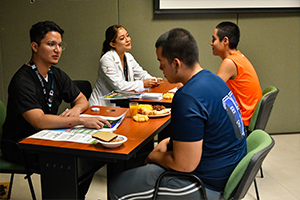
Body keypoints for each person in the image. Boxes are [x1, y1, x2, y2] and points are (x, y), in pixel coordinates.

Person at [109, 28, 247, 200]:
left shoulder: (187, 97)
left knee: (117, 186)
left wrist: (155, 155)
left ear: (176, 63)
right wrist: (169, 142)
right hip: (226, 169)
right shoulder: (214, 80)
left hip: (205, 184)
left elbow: (184, 164)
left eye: (161, 62)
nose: (160, 68)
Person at [1, 21, 110, 199]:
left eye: (60, 45)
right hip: (21, 144)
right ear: (35, 46)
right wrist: (81, 119)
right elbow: (40, 121)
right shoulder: (22, 81)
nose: (57, 50)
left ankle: (75, 196)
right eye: (51, 44)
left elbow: (82, 99)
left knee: (93, 154)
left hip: (47, 137)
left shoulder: (55, 74)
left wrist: (76, 109)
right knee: (71, 160)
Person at [89, 25, 163, 106]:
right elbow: (119, 86)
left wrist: (153, 80)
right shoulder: (107, 59)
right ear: (113, 44)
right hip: (101, 106)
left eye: (127, 36)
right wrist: (143, 84)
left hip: (121, 104)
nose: (128, 40)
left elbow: (141, 74)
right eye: (122, 38)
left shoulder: (128, 57)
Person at [211, 21, 262, 128]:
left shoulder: (230, 62)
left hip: (241, 122)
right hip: (246, 117)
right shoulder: (238, 58)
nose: (211, 43)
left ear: (225, 41)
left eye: (214, 39)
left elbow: (211, 90)